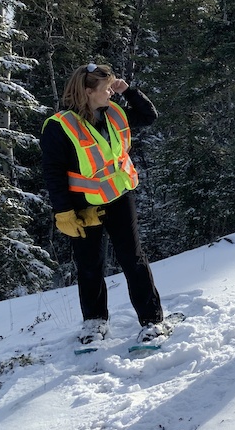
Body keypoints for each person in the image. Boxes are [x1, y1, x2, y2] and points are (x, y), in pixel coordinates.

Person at [41, 63, 167, 345]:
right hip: (84, 207)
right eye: (106, 88)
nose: (111, 91)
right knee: (90, 265)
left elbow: (148, 116)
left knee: (132, 260)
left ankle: (152, 320)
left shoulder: (115, 114)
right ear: (88, 92)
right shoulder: (59, 127)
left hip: (120, 198)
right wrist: (64, 212)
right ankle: (94, 322)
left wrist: (129, 91)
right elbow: (53, 172)